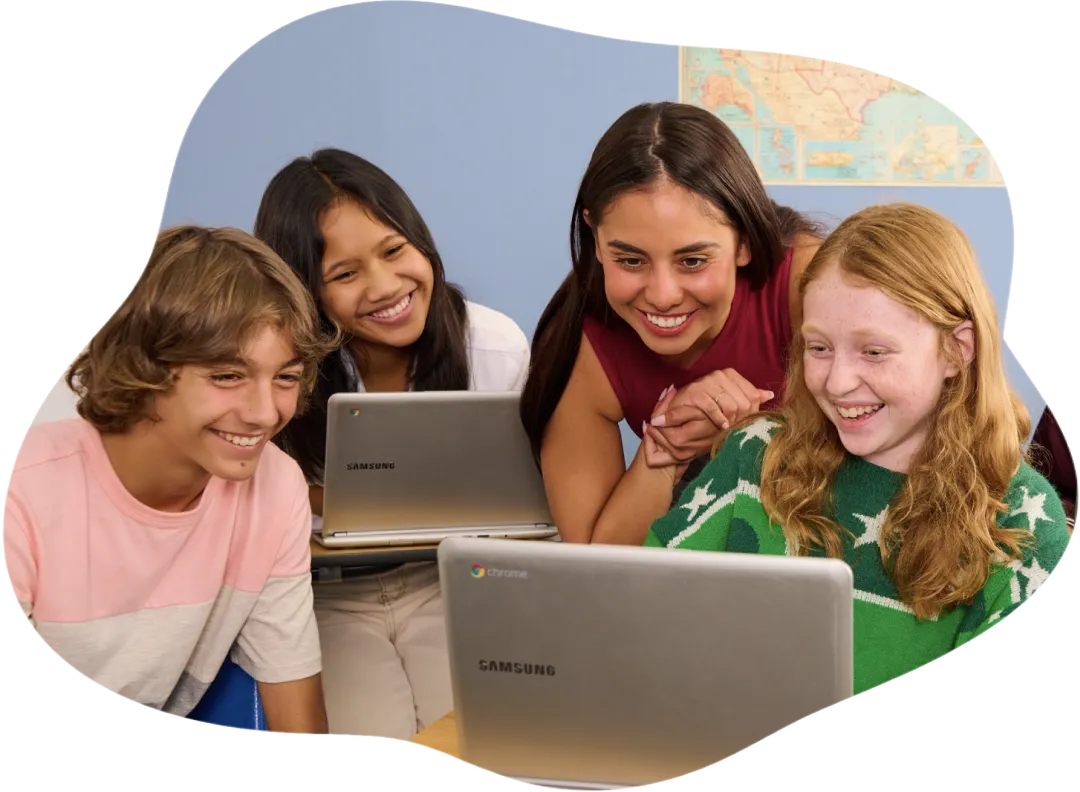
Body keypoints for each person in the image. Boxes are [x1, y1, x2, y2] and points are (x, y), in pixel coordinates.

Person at [644, 203, 1071, 696]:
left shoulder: (1023, 524)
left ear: (957, 350)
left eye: (873, 351)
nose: (838, 381)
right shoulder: (754, 456)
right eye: (819, 348)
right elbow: (641, 615)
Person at [2, 227, 335, 732]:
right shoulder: (22, 492)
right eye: (227, 376)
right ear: (145, 366)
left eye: (285, 378)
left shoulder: (275, 485)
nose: (266, 413)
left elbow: (297, 717)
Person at [253, 148, 531, 740]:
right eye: (345, 274)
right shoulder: (278, 369)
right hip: (327, 593)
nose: (385, 286)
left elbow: (522, 496)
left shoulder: (492, 344)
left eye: (394, 250)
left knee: (487, 739)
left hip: (450, 582)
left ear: (420, 241)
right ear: (305, 289)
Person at [519, 101, 826, 546]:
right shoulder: (581, 346)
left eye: (693, 260)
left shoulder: (811, 286)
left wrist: (756, 429)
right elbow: (597, 559)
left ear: (742, 241)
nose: (662, 295)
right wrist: (666, 447)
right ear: (596, 240)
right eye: (630, 259)